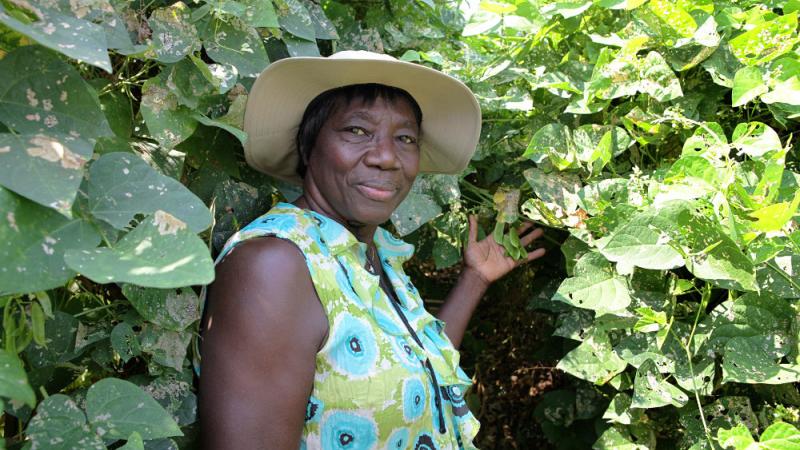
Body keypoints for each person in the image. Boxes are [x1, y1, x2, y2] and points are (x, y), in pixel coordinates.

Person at [198, 51, 546, 450]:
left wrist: (475, 279)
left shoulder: (370, 249)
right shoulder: (275, 265)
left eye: (405, 138)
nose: (386, 157)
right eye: (357, 131)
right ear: (308, 148)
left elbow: (406, 367)